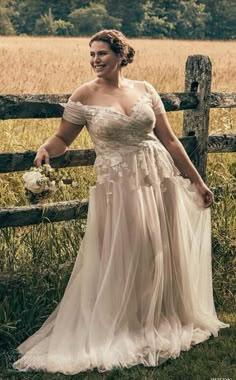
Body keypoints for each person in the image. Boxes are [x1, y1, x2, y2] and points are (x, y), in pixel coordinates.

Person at [12, 29, 229, 375]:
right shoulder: (85, 93)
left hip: (157, 178)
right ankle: (125, 324)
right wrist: (45, 150)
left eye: (102, 54)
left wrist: (197, 181)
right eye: (92, 54)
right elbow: (62, 138)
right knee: (126, 250)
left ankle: (155, 317)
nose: (96, 60)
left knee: (158, 248)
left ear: (120, 55)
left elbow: (171, 141)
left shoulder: (144, 89)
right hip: (118, 185)